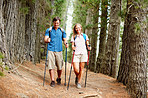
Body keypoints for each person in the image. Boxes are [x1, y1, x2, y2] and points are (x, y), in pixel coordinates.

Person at [44, 17, 68, 87]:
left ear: (59, 23)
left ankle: (59, 78)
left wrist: (66, 43)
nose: (56, 24)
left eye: (57, 23)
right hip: (51, 49)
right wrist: (47, 39)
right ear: (53, 23)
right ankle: (52, 80)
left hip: (59, 50)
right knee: (51, 65)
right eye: (55, 23)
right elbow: (45, 39)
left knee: (60, 67)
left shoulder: (62, 31)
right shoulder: (49, 30)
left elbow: (64, 39)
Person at [71, 23, 91, 88]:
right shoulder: (74, 36)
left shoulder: (84, 36)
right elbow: (72, 45)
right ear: (75, 29)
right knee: (76, 69)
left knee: (81, 68)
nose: (78, 29)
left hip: (83, 53)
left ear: (81, 28)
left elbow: (87, 43)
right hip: (76, 54)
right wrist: (73, 47)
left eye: (79, 27)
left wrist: (88, 47)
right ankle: (77, 76)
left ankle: (79, 82)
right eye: (76, 28)